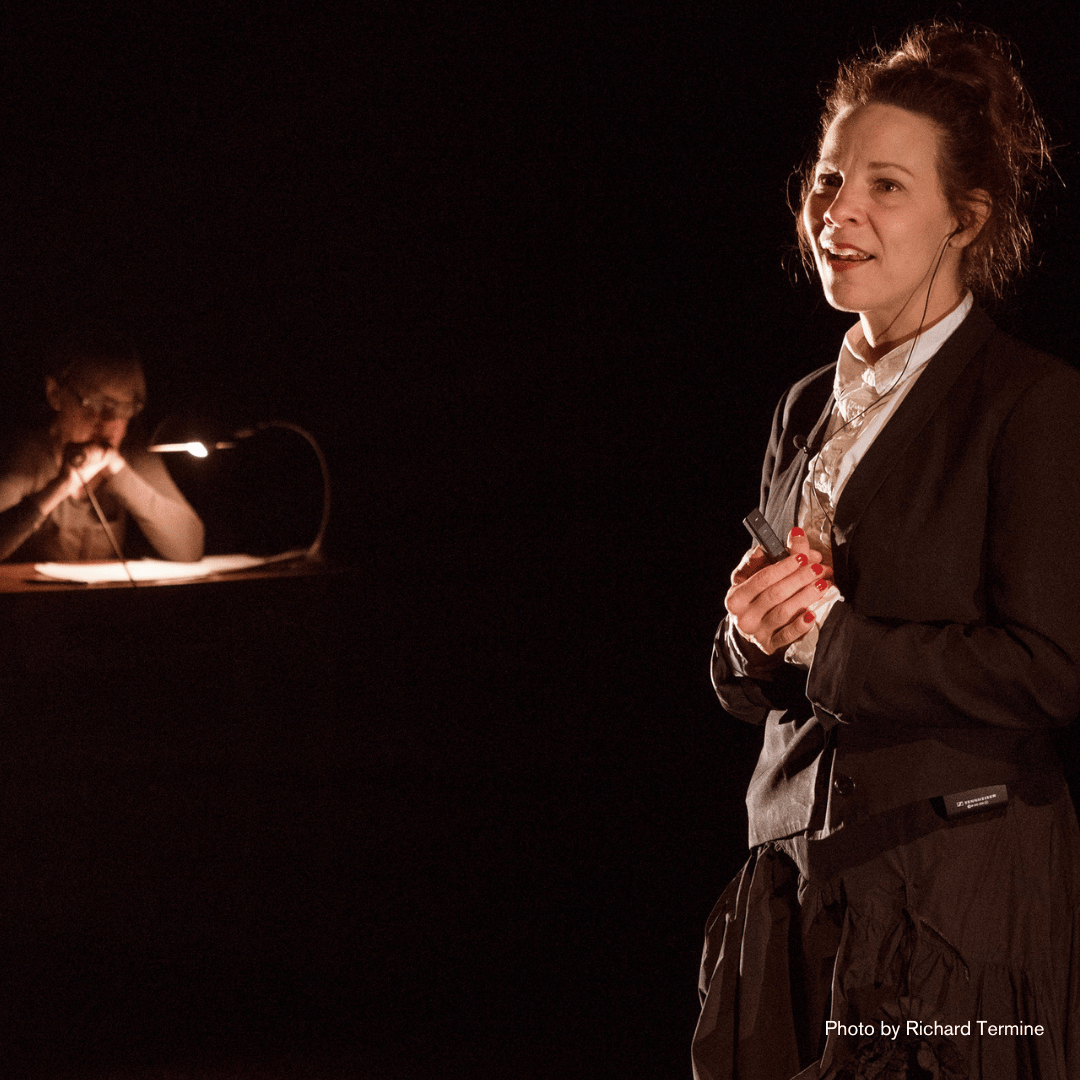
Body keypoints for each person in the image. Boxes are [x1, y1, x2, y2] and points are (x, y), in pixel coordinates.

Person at [694, 22, 1080, 1080]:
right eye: (828, 178)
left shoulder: (1028, 403)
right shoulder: (804, 408)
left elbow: (1051, 668)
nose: (839, 210)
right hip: (792, 883)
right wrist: (748, 636)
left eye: (886, 186)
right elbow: (757, 685)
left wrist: (836, 643)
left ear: (969, 218)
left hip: (949, 889)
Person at [0, 341, 205, 563]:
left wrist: (119, 472)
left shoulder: (131, 453)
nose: (109, 422)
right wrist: (61, 487)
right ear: (55, 394)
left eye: (124, 408)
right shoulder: (28, 455)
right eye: (94, 404)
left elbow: (190, 547)